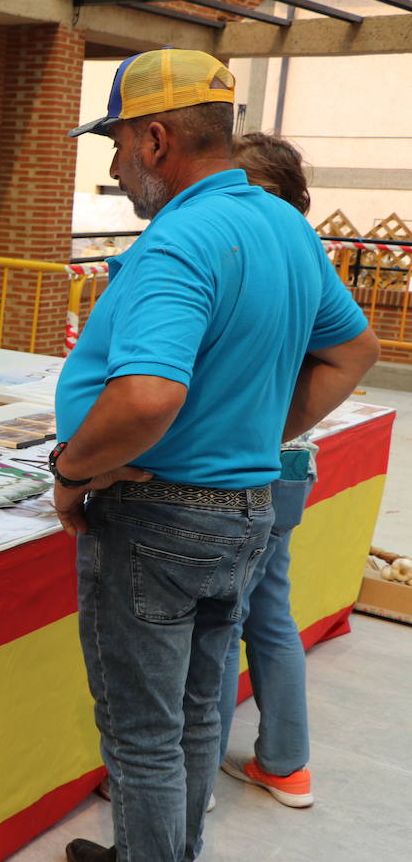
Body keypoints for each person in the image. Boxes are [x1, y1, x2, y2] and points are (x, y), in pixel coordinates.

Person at [53, 49, 378, 862]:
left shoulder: (180, 241)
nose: (116, 165)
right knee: (200, 710)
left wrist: (71, 471)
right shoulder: (282, 227)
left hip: (158, 517)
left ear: (157, 139)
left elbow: (147, 397)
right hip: (242, 513)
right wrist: (255, 436)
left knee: (143, 735)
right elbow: (354, 351)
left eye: (118, 143)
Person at [216, 133, 320, 809]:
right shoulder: (310, 260)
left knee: (220, 622)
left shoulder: (251, 257)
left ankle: (195, 780)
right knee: (268, 613)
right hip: (287, 464)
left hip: (248, 462)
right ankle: (286, 762)